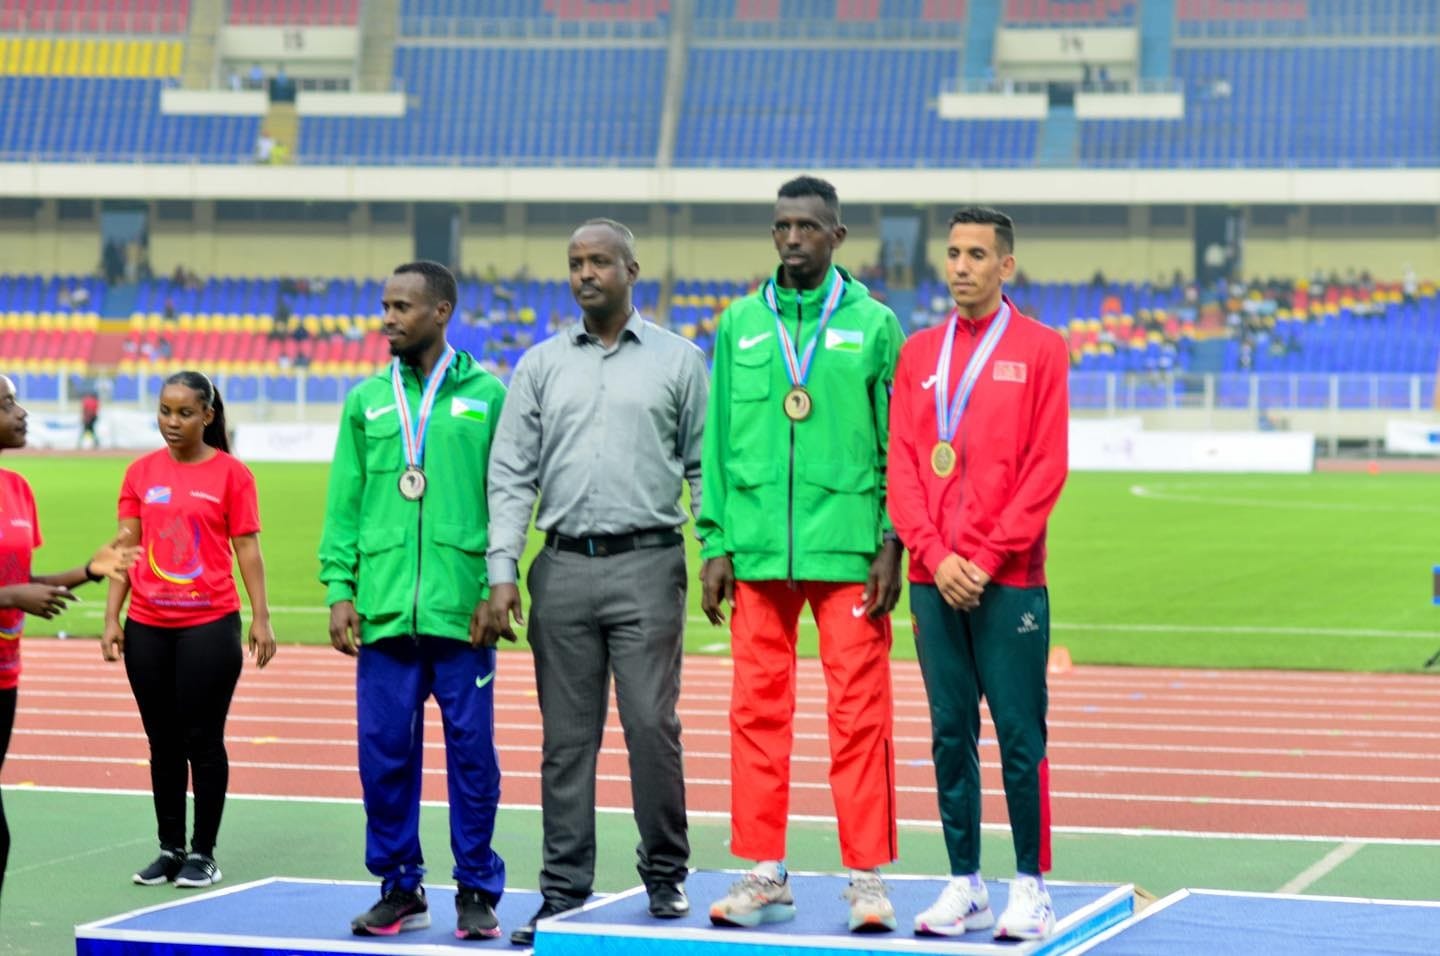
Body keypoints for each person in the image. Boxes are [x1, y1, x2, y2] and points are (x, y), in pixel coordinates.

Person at [485, 219, 706, 946]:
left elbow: (705, 467)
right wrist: (502, 570)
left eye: (600, 262)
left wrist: (718, 550)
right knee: (566, 742)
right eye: (576, 262)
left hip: (648, 562)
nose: (586, 273)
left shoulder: (679, 361)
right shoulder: (540, 365)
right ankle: (562, 892)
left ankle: (666, 874)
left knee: (651, 727)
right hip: (564, 567)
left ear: (631, 269)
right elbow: (512, 472)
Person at [697, 176, 905, 933]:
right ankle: (763, 871)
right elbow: (717, 444)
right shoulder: (740, 324)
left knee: (859, 714)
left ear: (836, 237)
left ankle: (868, 877)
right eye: (782, 225)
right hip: (754, 550)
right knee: (756, 711)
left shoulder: (876, 326)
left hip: (848, 548)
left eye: (808, 227)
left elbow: (900, 445)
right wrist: (714, 541)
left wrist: (892, 541)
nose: (792, 238)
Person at [886, 207, 1069, 941]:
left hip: (1010, 578)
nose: (960, 266)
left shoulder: (1042, 349)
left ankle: (1031, 886)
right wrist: (934, 555)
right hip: (936, 581)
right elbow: (902, 467)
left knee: (1021, 735)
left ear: (1006, 266)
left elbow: (1045, 468)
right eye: (953, 253)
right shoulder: (918, 353)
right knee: (948, 731)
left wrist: (985, 559)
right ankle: (966, 882)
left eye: (976, 255)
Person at [318, 261, 508, 941]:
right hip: (386, 608)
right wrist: (340, 590)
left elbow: (508, 500)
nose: (388, 318)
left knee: (473, 757)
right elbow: (343, 504)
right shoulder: (366, 400)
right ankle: (400, 886)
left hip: (465, 613)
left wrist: (496, 584)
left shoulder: (489, 395)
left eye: (403, 307)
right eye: (385, 305)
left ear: (442, 311)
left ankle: (477, 887)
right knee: (383, 755)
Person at [100, 371, 276, 890]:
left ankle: (204, 852)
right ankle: (169, 848)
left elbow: (248, 549)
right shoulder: (139, 473)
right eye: (164, 411)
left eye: (183, 413)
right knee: (162, 741)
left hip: (209, 624)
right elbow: (125, 546)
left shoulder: (232, 475)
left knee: (203, 738)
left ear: (208, 416)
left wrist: (261, 616)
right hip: (148, 626)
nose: (171, 423)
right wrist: (113, 615)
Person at [0, 375, 137, 906]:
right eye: (8, 403)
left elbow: (23, 580)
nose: (22, 411)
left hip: (6, 669)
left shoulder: (18, 489)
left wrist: (88, 569)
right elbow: (14, 589)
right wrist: (11, 595)